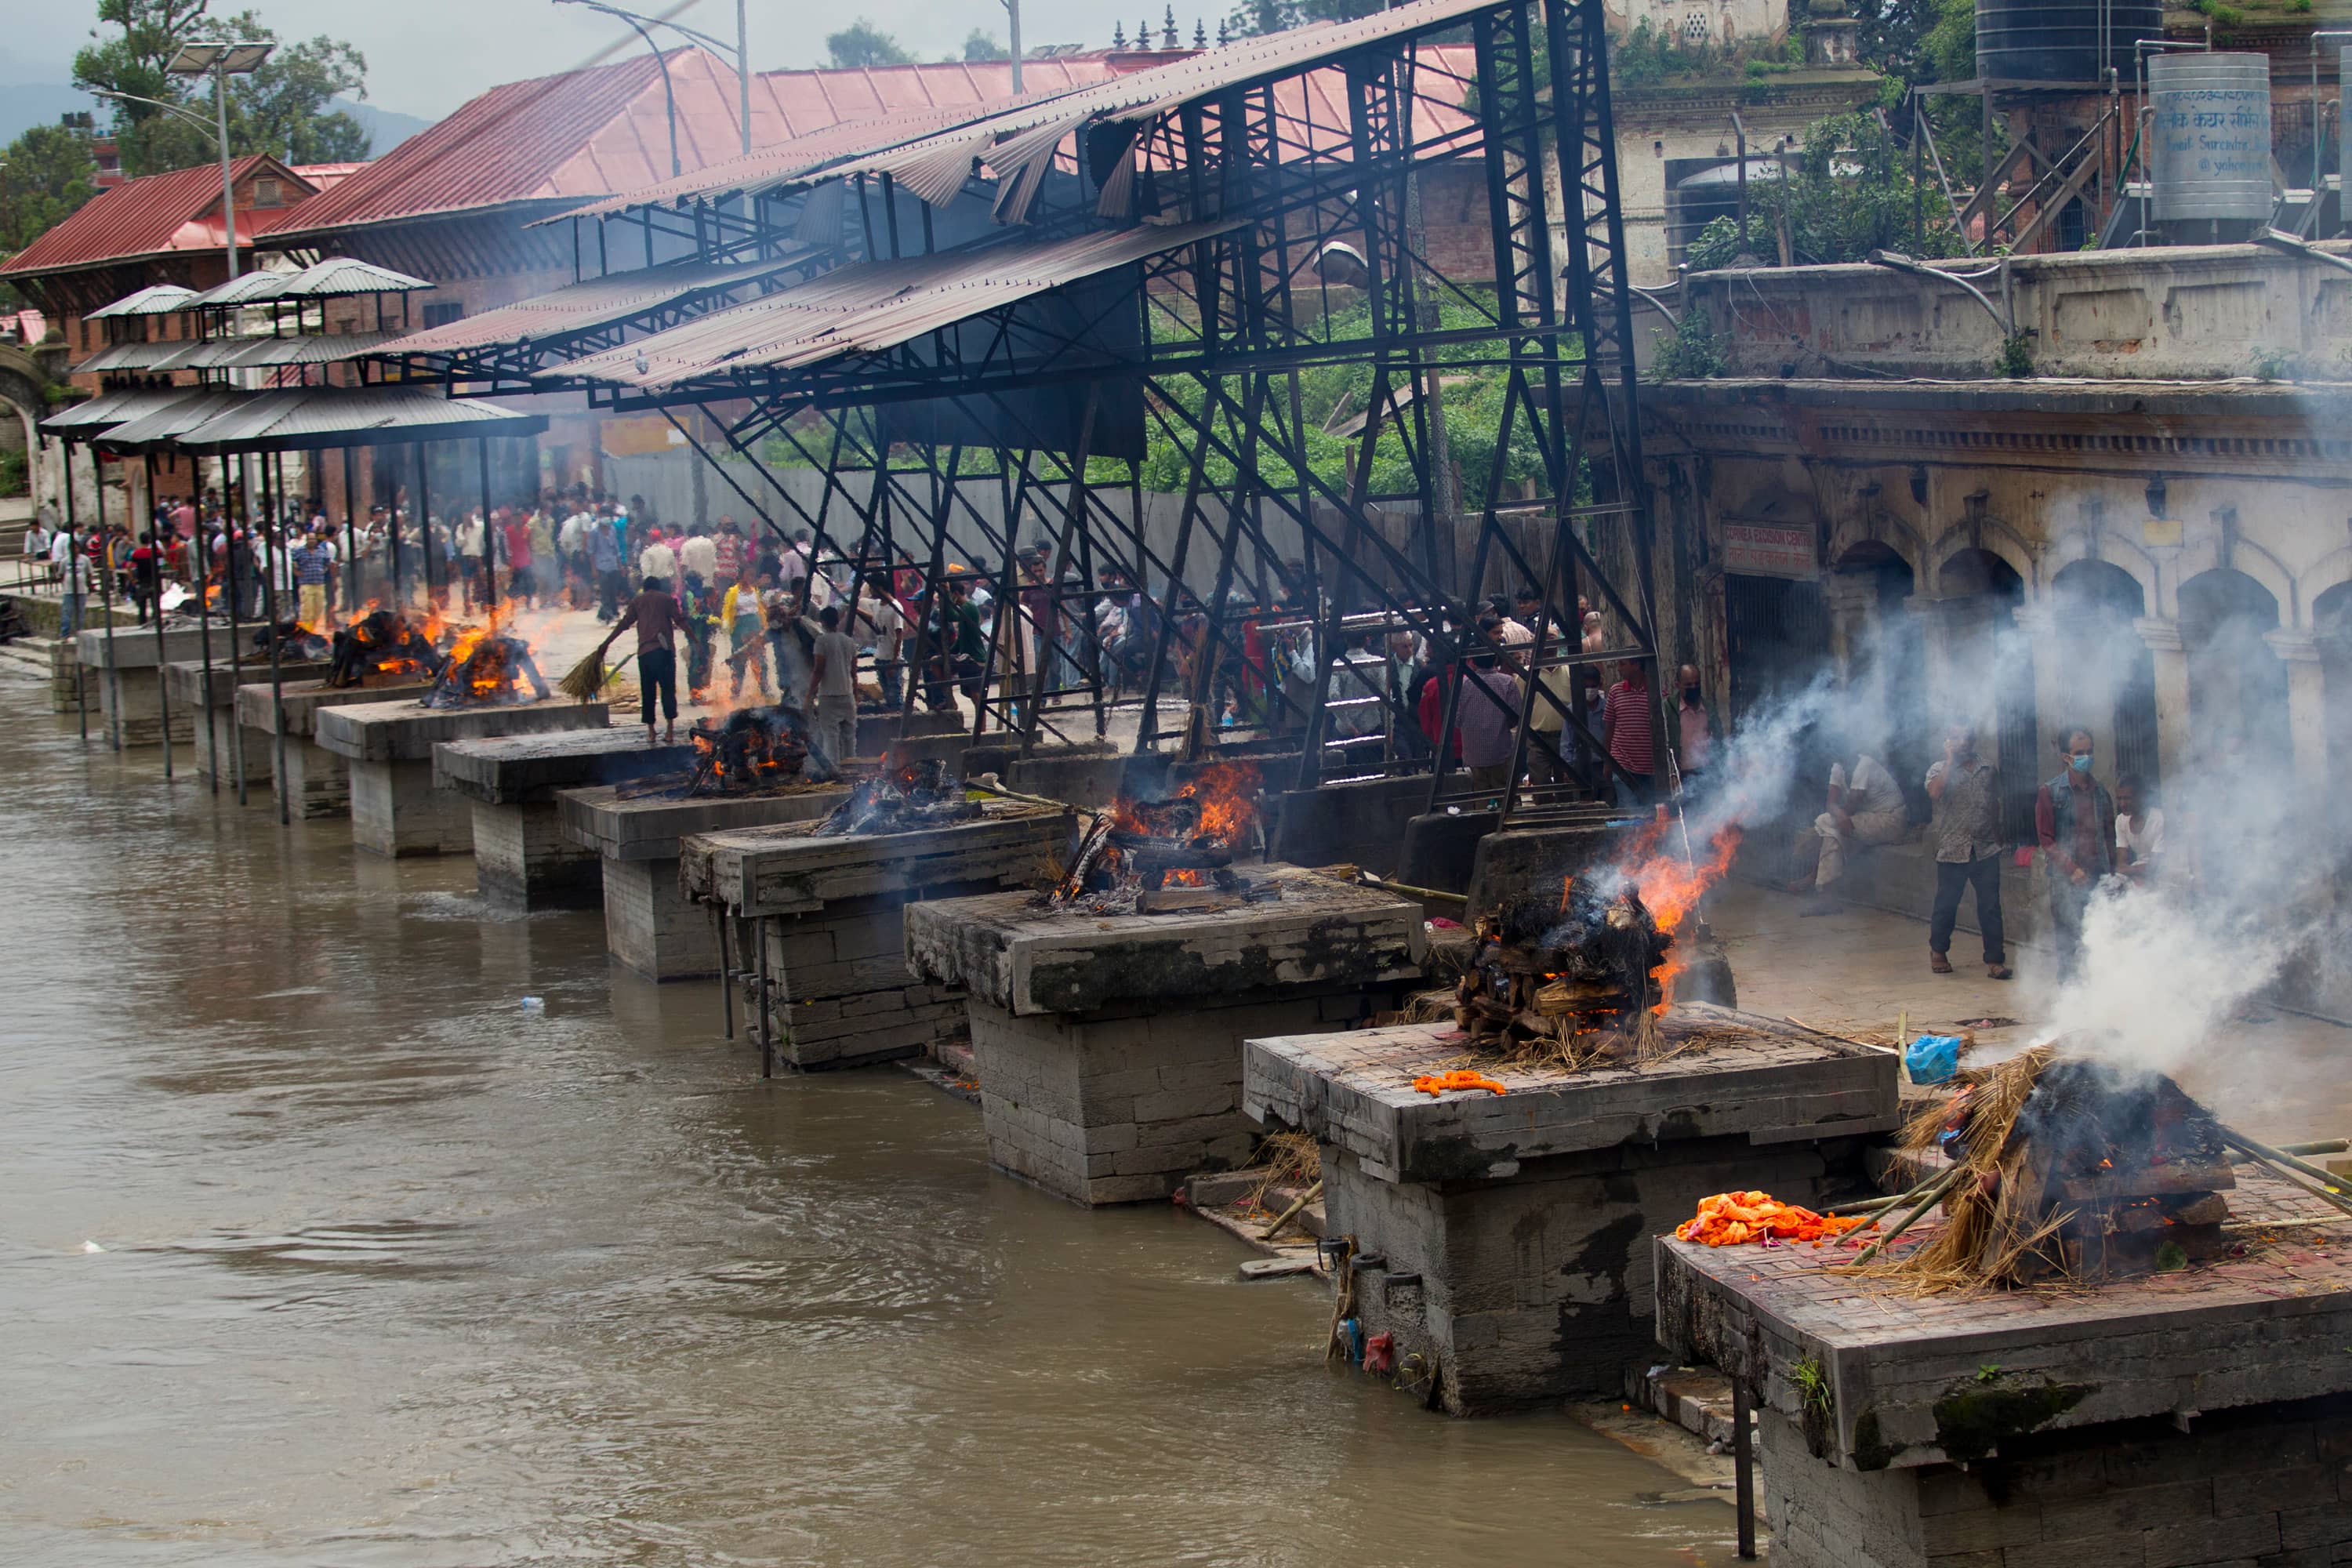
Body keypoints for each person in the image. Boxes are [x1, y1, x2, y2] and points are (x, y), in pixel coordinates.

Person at [1925, 721, 2010, 979]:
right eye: (1956, 738)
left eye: (1966, 738)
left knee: (1991, 906)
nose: (1962, 742)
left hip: (1985, 847)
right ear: (1948, 741)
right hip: (1953, 848)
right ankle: (1938, 951)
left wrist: (1998, 835)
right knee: (1947, 904)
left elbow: (1993, 802)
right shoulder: (1938, 769)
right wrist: (1950, 763)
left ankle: (1995, 960)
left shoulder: (1987, 768)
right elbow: (1935, 793)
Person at [2035, 726, 2115, 980]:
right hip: (2066, 880)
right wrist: (2071, 869)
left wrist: (2112, 873)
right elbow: (2046, 840)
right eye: (2079, 752)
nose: (2086, 757)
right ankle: (2069, 998)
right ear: (2065, 757)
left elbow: (2109, 836)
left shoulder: (2101, 793)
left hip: (2097, 875)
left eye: (2089, 751)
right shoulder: (2050, 792)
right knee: (2068, 941)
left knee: (2100, 940)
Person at [1789, 746, 1911, 898]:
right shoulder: (1838, 767)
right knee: (1831, 829)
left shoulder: (1865, 765)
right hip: (1865, 816)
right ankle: (1824, 891)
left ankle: (1823, 892)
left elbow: (1853, 804)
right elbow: (1831, 803)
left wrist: (1840, 816)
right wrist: (1840, 815)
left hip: (1891, 820)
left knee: (1827, 824)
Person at [596, 575, 683, 746]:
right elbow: (680, 621)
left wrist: (606, 643)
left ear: (644, 588)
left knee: (648, 693)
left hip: (646, 654)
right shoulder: (666, 600)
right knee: (668, 691)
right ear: (658, 588)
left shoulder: (637, 601)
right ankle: (670, 731)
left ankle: (651, 732)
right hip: (665, 653)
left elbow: (623, 624)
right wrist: (695, 640)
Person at [1452, 645, 1523, 797]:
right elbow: (1516, 717)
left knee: (1481, 800)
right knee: (1505, 798)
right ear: (1496, 659)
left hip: (1473, 755)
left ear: (1474, 662)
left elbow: (1456, 720)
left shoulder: (1463, 685)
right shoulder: (1507, 682)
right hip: (1500, 752)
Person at [1600, 659, 1657, 805]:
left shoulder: (1656, 690)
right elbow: (1609, 729)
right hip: (1622, 763)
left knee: (1651, 814)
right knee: (1629, 811)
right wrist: (1608, 761)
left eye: (1622, 664)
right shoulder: (1615, 691)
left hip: (1650, 766)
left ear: (1636, 665)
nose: (1618, 669)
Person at [809, 604, 859, 764]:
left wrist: (809, 695)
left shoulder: (821, 641)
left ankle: (835, 771)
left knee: (830, 736)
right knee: (849, 737)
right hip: (847, 694)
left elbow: (818, 670)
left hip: (828, 696)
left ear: (822, 622)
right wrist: (856, 693)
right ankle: (851, 770)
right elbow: (854, 671)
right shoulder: (849, 641)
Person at [721, 568, 770, 701]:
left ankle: (764, 687)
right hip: (739, 627)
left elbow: (760, 610)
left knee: (760, 659)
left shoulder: (756, 591)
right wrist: (726, 626)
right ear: (741, 576)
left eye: (753, 575)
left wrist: (764, 626)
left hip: (755, 625)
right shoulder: (732, 592)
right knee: (739, 660)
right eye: (748, 575)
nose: (751, 578)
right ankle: (736, 690)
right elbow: (727, 610)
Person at [2114, 775, 2165, 884]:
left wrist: (2130, 871)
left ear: (2141, 797)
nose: (2122, 804)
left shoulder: (2160, 820)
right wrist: (2134, 873)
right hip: (2138, 875)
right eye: (2119, 799)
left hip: (2166, 874)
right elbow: (2121, 865)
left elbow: (2155, 867)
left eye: (2127, 798)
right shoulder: (2121, 821)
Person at [290, 529, 332, 627]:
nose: (312, 541)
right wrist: (296, 572)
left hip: (319, 584)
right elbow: (291, 562)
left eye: (314, 539)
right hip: (306, 584)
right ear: (307, 540)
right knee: (307, 610)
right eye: (310, 539)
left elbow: (327, 563)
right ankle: (307, 632)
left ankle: (319, 631)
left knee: (320, 609)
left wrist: (324, 570)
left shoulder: (322, 551)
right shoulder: (299, 551)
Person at [1675, 665, 1712, 780]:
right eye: (1688, 685)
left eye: (1697, 684)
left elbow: (1718, 739)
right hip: (1681, 776)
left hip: (1707, 773)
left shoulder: (1709, 709)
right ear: (1678, 685)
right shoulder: (1669, 710)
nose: (1693, 687)